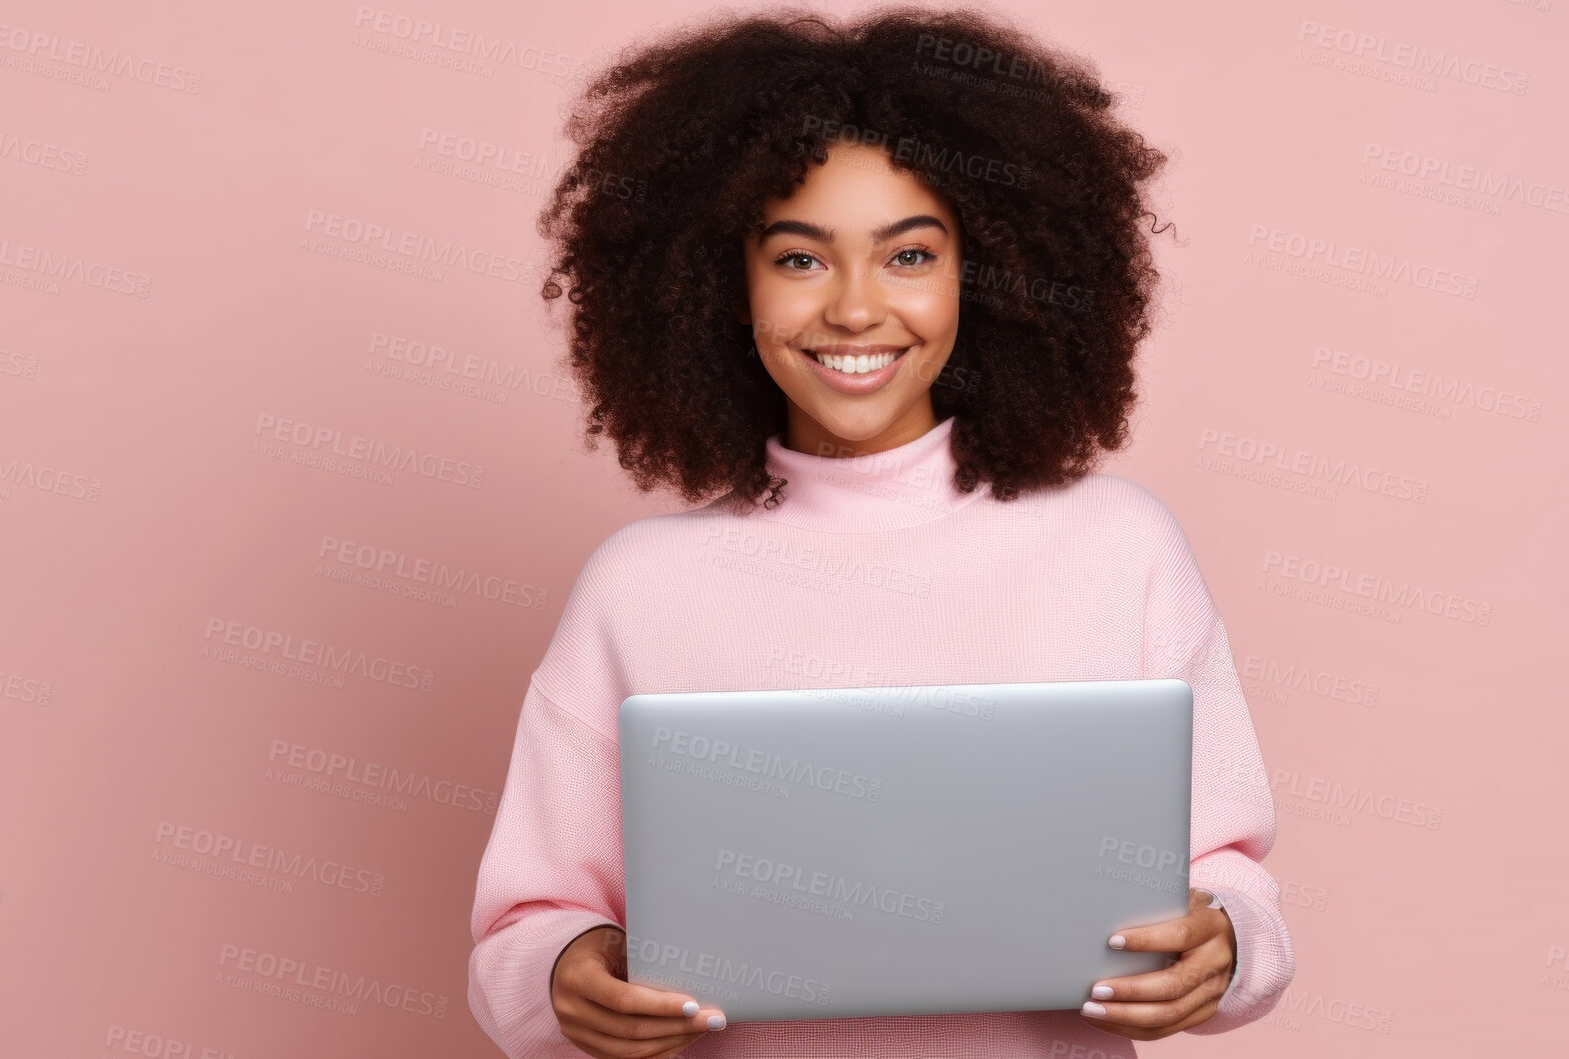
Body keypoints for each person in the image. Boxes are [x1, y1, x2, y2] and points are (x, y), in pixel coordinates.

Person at [468, 7, 1294, 1057]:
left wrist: (1228, 942)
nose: (856, 309)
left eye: (908, 255)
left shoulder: (1117, 548)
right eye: (800, 260)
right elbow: (525, 927)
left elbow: (1226, 878)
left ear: (984, 276)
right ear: (724, 283)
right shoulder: (637, 587)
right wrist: (562, 971)